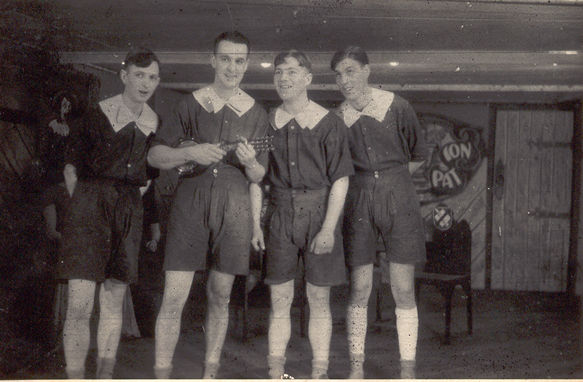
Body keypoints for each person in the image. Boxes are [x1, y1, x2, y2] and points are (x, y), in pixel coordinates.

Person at [148, 31, 269, 379]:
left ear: (246, 63)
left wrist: (249, 163)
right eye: (226, 58)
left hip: (234, 207)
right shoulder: (189, 104)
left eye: (240, 60)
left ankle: (210, 374)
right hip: (190, 205)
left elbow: (259, 174)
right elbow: (156, 155)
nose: (233, 67)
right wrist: (190, 152)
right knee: (174, 296)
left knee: (220, 295)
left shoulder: (257, 111)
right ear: (213, 60)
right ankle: (161, 373)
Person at [58, 47, 161, 379]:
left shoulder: (153, 120)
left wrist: (129, 202)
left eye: (153, 77)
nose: (146, 83)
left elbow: (149, 178)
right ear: (124, 76)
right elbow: (71, 168)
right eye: (140, 75)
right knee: (80, 303)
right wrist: (84, 208)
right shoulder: (95, 114)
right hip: (89, 206)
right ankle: (76, 376)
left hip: (128, 209)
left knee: (114, 301)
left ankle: (105, 376)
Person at [251, 50, 353, 379]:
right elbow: (257, 178)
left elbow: (341, 180)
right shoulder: (266, 123)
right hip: (280, 214)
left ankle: (318, 373)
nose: (284, 78)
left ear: (308, 78)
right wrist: (256, 223)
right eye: (279, 72)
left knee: (318, 300)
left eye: (292, 72)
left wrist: (328, 228)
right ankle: (275, 372)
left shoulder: (329, 123)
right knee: (279, 300)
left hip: (319, 213)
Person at [331, 46, 428, 379]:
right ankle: (356, 370)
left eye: (350, 71)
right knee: (359, 289)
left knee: (402, 289)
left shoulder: (397, 106)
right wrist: (368, 187)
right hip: (358, 201)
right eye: (338, 74)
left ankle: (407, 371)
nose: (344, 80)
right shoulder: (337, 117)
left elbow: (418, 154)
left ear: (367, 70)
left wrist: (390, 182)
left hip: (398, 198)